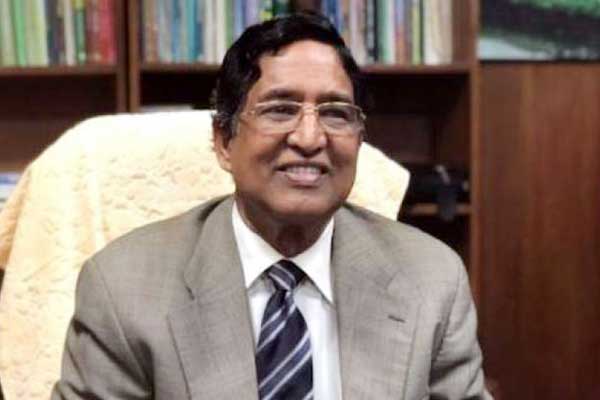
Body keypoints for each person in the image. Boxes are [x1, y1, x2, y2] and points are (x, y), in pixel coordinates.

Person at [52, 12, 492, 400]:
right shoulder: (124, 289)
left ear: (359, 140)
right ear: (224, 142)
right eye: (280, 110)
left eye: (336, 113)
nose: (309, 138)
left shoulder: (431, 280)